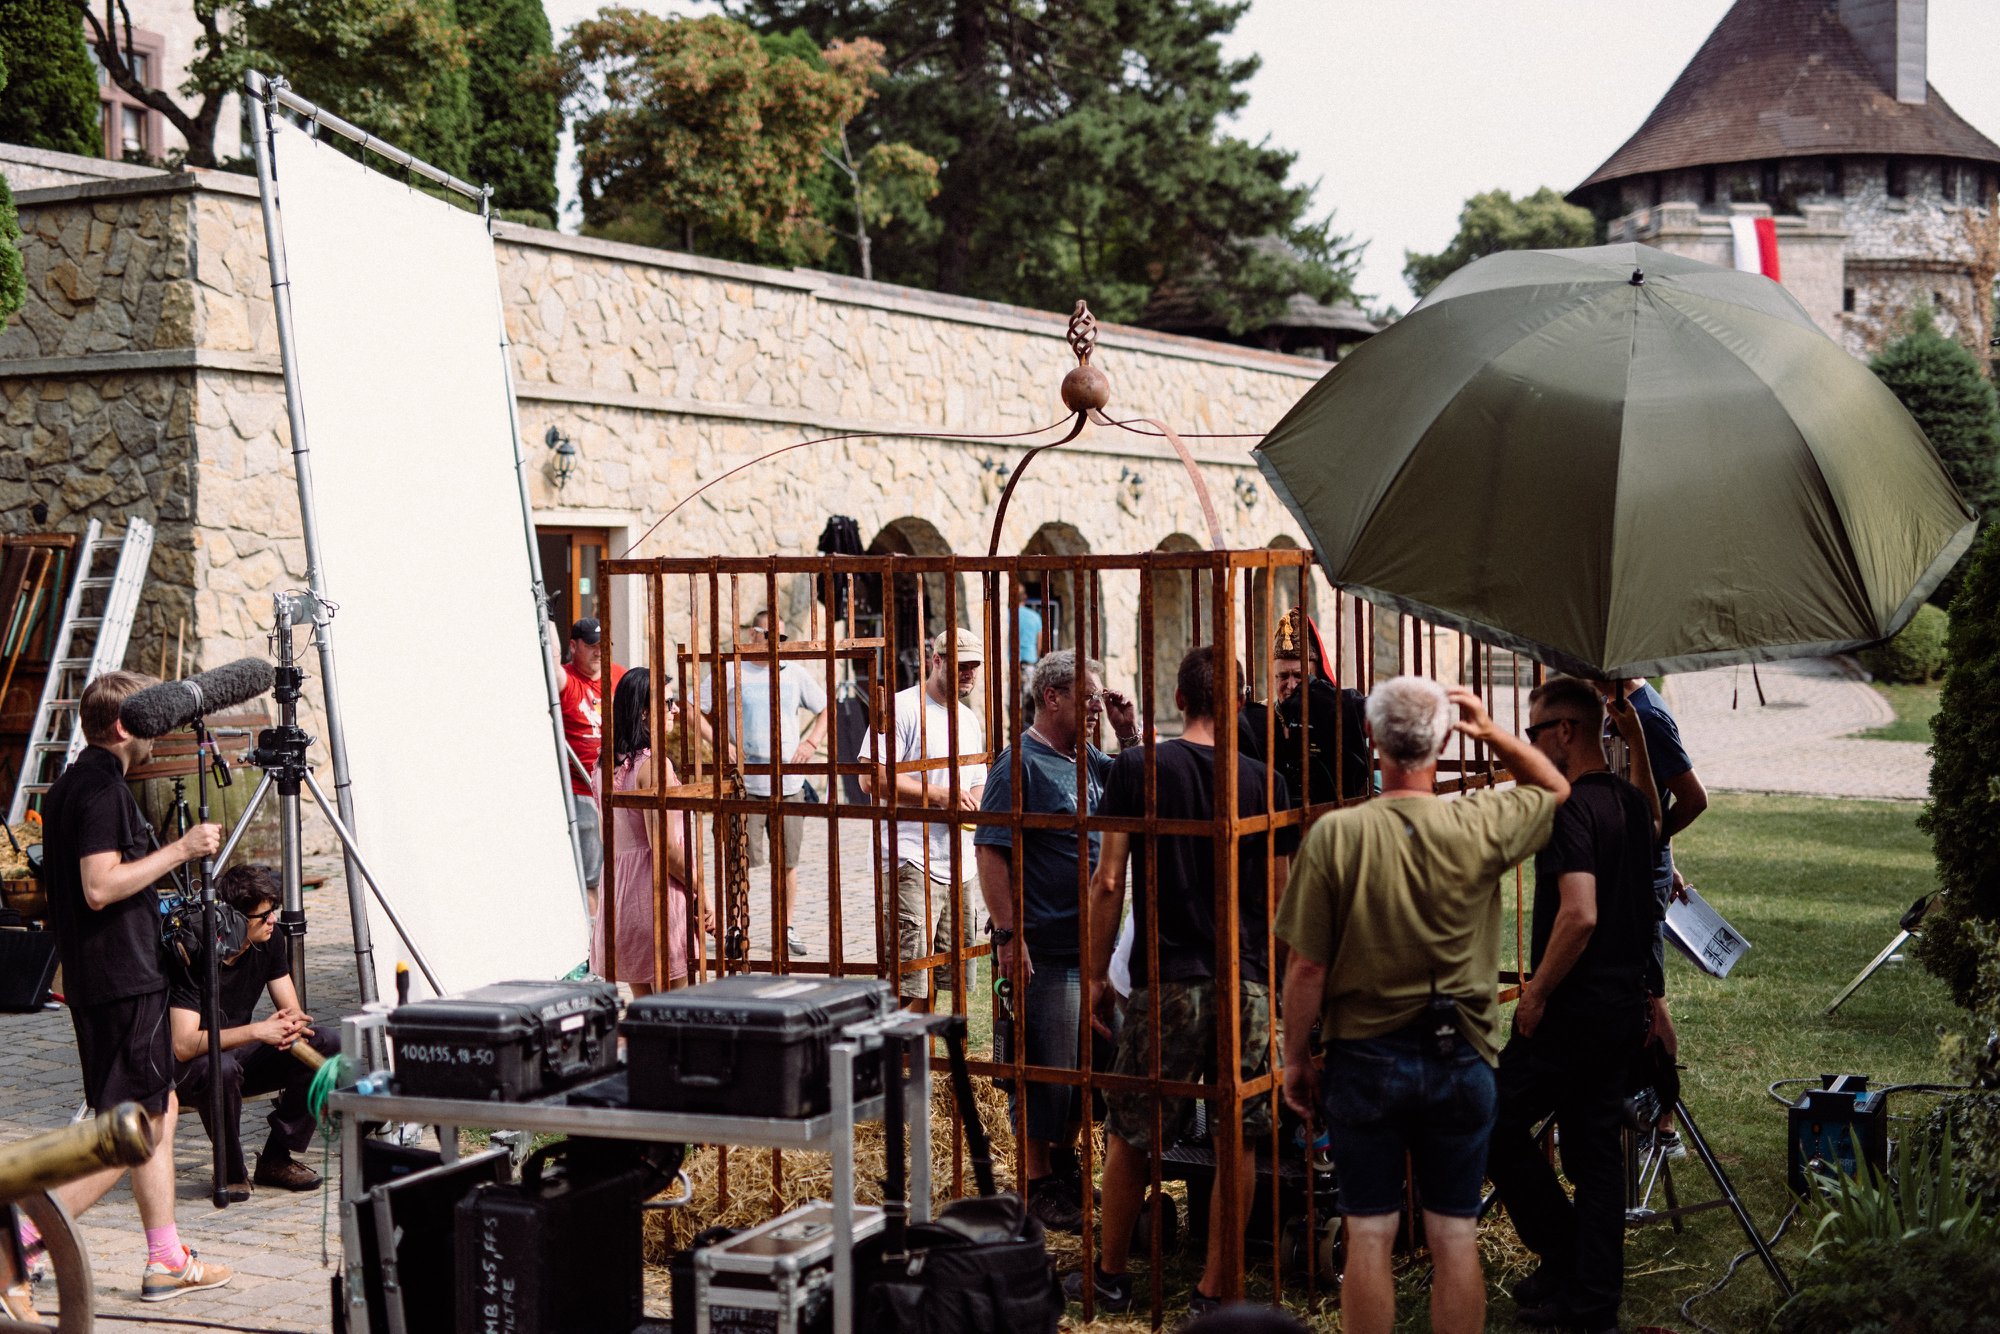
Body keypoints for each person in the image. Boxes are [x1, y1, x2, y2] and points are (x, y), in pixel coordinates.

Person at [1277, 676, 1571, 1334]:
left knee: (1372, 1233)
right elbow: (1555, 788)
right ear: (1442, 739)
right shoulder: (1480, 820)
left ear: (1372, 739)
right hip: (1461, 1054)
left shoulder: (1335, 836)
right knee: (1454, 1234)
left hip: (1365, 1057)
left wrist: (1295, 1058)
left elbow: (1307, 967)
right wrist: (1491, 731)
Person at [1071, 647, 1299, 1319]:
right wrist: (1279, 992)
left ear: (1177, 696)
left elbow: (1109, 880)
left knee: (1133, 1131)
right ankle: (1216, 1291)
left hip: (1165, 979)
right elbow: (1279, 896)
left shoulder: (1141, 767)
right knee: (1239, 1138)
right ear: (1237, 702)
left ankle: (1110, 1277)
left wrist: (1092, 973)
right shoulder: (1265, 781)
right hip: (1244, 978)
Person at [15, 670, 234, 1309]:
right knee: (132, 1126)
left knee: (156, 1113)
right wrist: (183, 849)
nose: (159, 727)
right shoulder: (101, 792)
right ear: (122, 725)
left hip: (103, 976)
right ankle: (24, 1238)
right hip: (122, 979)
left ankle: (165, 1258)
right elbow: (99, 885)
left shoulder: (71, 787)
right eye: (150, 715)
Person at [1485, 676, 1662, 1334]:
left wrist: (1537, 992)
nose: (1528, 744)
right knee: (1595, 1156)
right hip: (1620, 1011)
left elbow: (1579, 915)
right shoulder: (1626, 801)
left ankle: (1564, 1257)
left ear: (1565, 731)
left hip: (1572, 1013)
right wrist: (1636, 735)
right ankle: (1590, 1300)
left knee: (1492, 1122)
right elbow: (1655, 817)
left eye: (1533, 731)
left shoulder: (1569, 809)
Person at [974, 648, 1137, 1232]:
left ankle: (1066, 1170)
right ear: (1052, 698)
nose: (1096, 707)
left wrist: (1128, 732)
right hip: (1046, 946)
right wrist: (1009, 935)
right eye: (1088, 698)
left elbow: (1139, 791)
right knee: (1046, 1069)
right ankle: (1037, 1182)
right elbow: (991, 849)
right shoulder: (1020, 764)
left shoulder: (1090, 759)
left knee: (1086, 1069)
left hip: (1094, 951)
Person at [169, 864, 340, 1197]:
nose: (273, 920)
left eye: (273, 911)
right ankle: (231, 1169)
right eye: (264, 916)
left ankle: (277, 1158)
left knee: (326, 1042)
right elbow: (183, 1044)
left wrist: (293, 1025)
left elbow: (289, 1007)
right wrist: (260, 1031)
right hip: (191, 1067)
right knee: (224, 1068)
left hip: (237, 1054)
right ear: (232, 921)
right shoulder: (193, 953)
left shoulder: (269, 937)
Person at [1603, 676, 1707, 1159]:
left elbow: (1692, 798)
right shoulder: (1619, 708)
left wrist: (1659, 846)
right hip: (1624, 872)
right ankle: (1622, 1109)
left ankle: (1664, 1128)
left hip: (1640, 877)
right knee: (1627, 990)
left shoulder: (1647, 715)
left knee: (1651, 994)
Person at [861, 628, 987, 1011]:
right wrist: (940, 797)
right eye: (961, 665)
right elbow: (871, 777)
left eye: (974, 667)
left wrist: (973, 806)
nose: (969, 674)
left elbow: (977, 780)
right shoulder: (904, 708)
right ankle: (894, 1063)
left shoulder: (969, 719)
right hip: (910, 858)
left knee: (940, 973)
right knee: (907, 976)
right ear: (937, 661)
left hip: (958, 860)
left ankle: (920, 1063)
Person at [699, 610, 829, 960]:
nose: (776, 643)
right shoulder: (731, 671)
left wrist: (811, 743)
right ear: (753, 634)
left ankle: (785, 927)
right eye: (770, 635)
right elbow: (696, 708)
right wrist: (720, 744)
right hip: (746, 784)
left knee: (787, 861)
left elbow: (825, 708)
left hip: (787, 782)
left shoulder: (793, 673)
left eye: (782, 638)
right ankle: (737, 926)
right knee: (739, 860)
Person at [592, 668, 701, 993]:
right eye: (667, 702)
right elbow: (665, 850)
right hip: (656, 895)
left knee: (643, 1011)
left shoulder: (604, 765)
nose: (675, 709)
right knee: (676, 1012)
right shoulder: (654, 765)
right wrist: (702, 892)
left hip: (620, 894)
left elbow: (606, 837)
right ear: (643, 711)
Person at [1239, 609, 1371, 805]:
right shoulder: (1259, 718)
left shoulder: (1336, 714)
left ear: (1315, 677)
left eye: (1299, 676)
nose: (1291, 685)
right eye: (1283, 676)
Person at [559, 617, 624, 898]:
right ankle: (591, 936)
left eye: (603, 645)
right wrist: (547, 623)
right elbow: (548, 666)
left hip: (618, 789)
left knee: (622, 871)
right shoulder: (566, 679)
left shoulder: (619, 676)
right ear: (574, 646)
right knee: (590, 879)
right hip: (582, 791)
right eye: (591, 645)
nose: (599, 651)